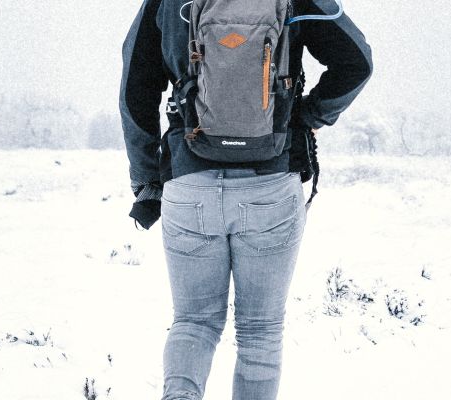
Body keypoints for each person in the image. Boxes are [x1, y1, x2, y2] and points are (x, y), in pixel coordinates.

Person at [118, 0, 371, 399]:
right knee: (260, 331)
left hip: (189, 182)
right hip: (270, 184)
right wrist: (305, 119)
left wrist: (147, 178)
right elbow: (357, 63)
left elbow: (136, 85)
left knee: (193, 323)